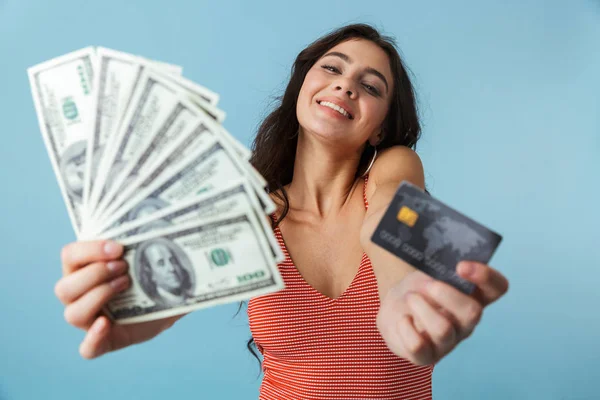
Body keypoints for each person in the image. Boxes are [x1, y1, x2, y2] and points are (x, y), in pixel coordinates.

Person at [54, 23, 509, 399]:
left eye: (370, 85)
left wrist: (401, 287)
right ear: (303, 87)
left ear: (380, 130)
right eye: (332, 67)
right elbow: (180, 284)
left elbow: (388, 212)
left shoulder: (394, 167)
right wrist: (128, 306)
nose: (345, 84)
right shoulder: (254, 209)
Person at [135, 238, 194, 307]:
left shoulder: (190, 297)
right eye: (161, 264)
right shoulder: (155, 303)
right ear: (150, 274)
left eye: (172, 260)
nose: (172, 268)